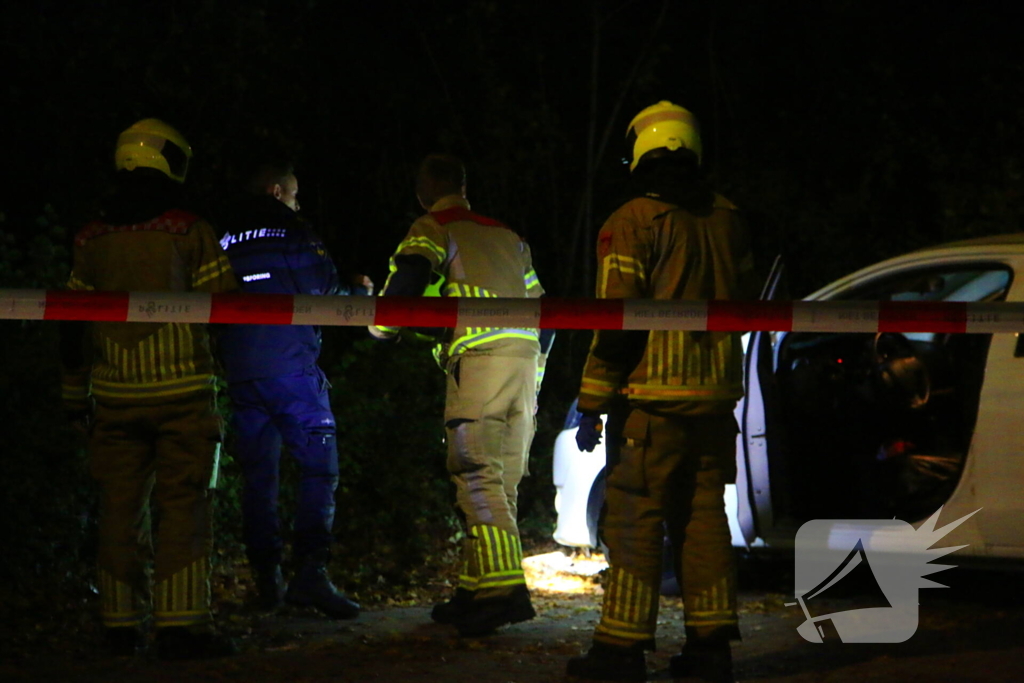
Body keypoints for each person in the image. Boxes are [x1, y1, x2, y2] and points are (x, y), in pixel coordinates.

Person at [565, 101, 757, 683]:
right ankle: (710, 651)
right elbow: (748, 303)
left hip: (650, 404)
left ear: (642, 153)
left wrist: (593, 400)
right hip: (716, 401)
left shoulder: (631, 221)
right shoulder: (729, 218)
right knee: (704, 523)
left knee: (634, 520)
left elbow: (617, 321)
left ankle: (619, 653)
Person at [60, 118, 239, 659]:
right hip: (184, 393)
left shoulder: (91, 236)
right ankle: (182, 626)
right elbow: (224, 308)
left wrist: (74, 394)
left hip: (114, 398)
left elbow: (71, 321)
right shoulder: (190, 229)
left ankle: (118, 625)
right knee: (184, 504)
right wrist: (226, 378)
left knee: (118, 508)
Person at [369, 154, 554, 636]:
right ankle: (475, 588)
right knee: (502, 482)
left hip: (480, 361)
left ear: (423, 191)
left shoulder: (433, 224)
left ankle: (504, 590)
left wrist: (380, 326)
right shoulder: (508, 237)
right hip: (525, 366)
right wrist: (535, 379)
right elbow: (545, 314)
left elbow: (408, 279)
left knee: (475, 474)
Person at [215, 161, 370, 618]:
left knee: (259, 479)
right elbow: (325, 295)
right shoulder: (292, 228)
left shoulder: (222, 236)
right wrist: (359, 295)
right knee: (320, 468)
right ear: (277, 190)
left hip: (241, 371)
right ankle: (310, 576)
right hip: (291, 370)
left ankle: (268, 582)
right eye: (295, 194)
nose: (298, 202)